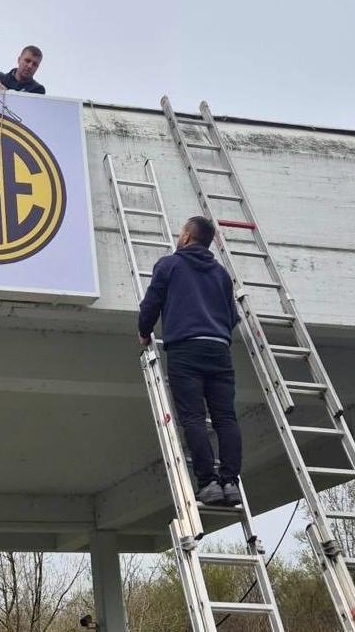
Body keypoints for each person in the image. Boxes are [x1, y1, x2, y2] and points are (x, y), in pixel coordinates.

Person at [137, 216, 244, 506]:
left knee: (194, 417)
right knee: (225, 418)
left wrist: (144, 333)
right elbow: (232, 317)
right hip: (220, 349)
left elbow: (151, 303)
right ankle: (231, 482)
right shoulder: (221, 274)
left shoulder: (170, 265)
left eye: (180, 232)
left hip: (186, 349)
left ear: (186, 237)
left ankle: (208, 482)